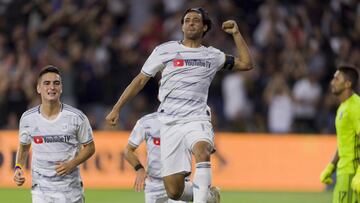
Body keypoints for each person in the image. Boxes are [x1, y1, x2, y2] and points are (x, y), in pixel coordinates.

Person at [106, 7, 253, 203]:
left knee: (202, 150)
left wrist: (236, 33)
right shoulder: (164, 50)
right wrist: (117, 108)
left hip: (197, 118)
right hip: (169, 123)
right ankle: (208, 196)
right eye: (187, 20)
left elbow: (246, 63)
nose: (191, 22)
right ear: (182, 26)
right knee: (174, 191)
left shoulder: (212, 55)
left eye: (196, 20)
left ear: (205, 27)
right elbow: (140, 80)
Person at [13, 66, 96, 203]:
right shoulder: (28, 119)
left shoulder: (77, 117)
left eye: (56, 83)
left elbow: (90, 147)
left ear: (61, 88)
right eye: (47, 83)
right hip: (41, 190)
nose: (52, 87)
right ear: (38, 88)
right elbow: (24, 146)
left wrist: (71, 164)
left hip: (70, 191)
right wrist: (18, 168)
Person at [124, 112, 190, 203]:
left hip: (179, 182)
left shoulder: (187, 121)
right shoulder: (147, 122)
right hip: (154, 185)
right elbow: (128, 151)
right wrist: (139, 169)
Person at [320, 65, 360, 203]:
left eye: (337, 79)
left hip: (352, 172)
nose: (332, 82)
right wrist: (331, 166)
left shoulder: (355, 107)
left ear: (348, 83)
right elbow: (344, 142)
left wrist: (359, 173)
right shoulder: (343, 107)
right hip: (343, 171)